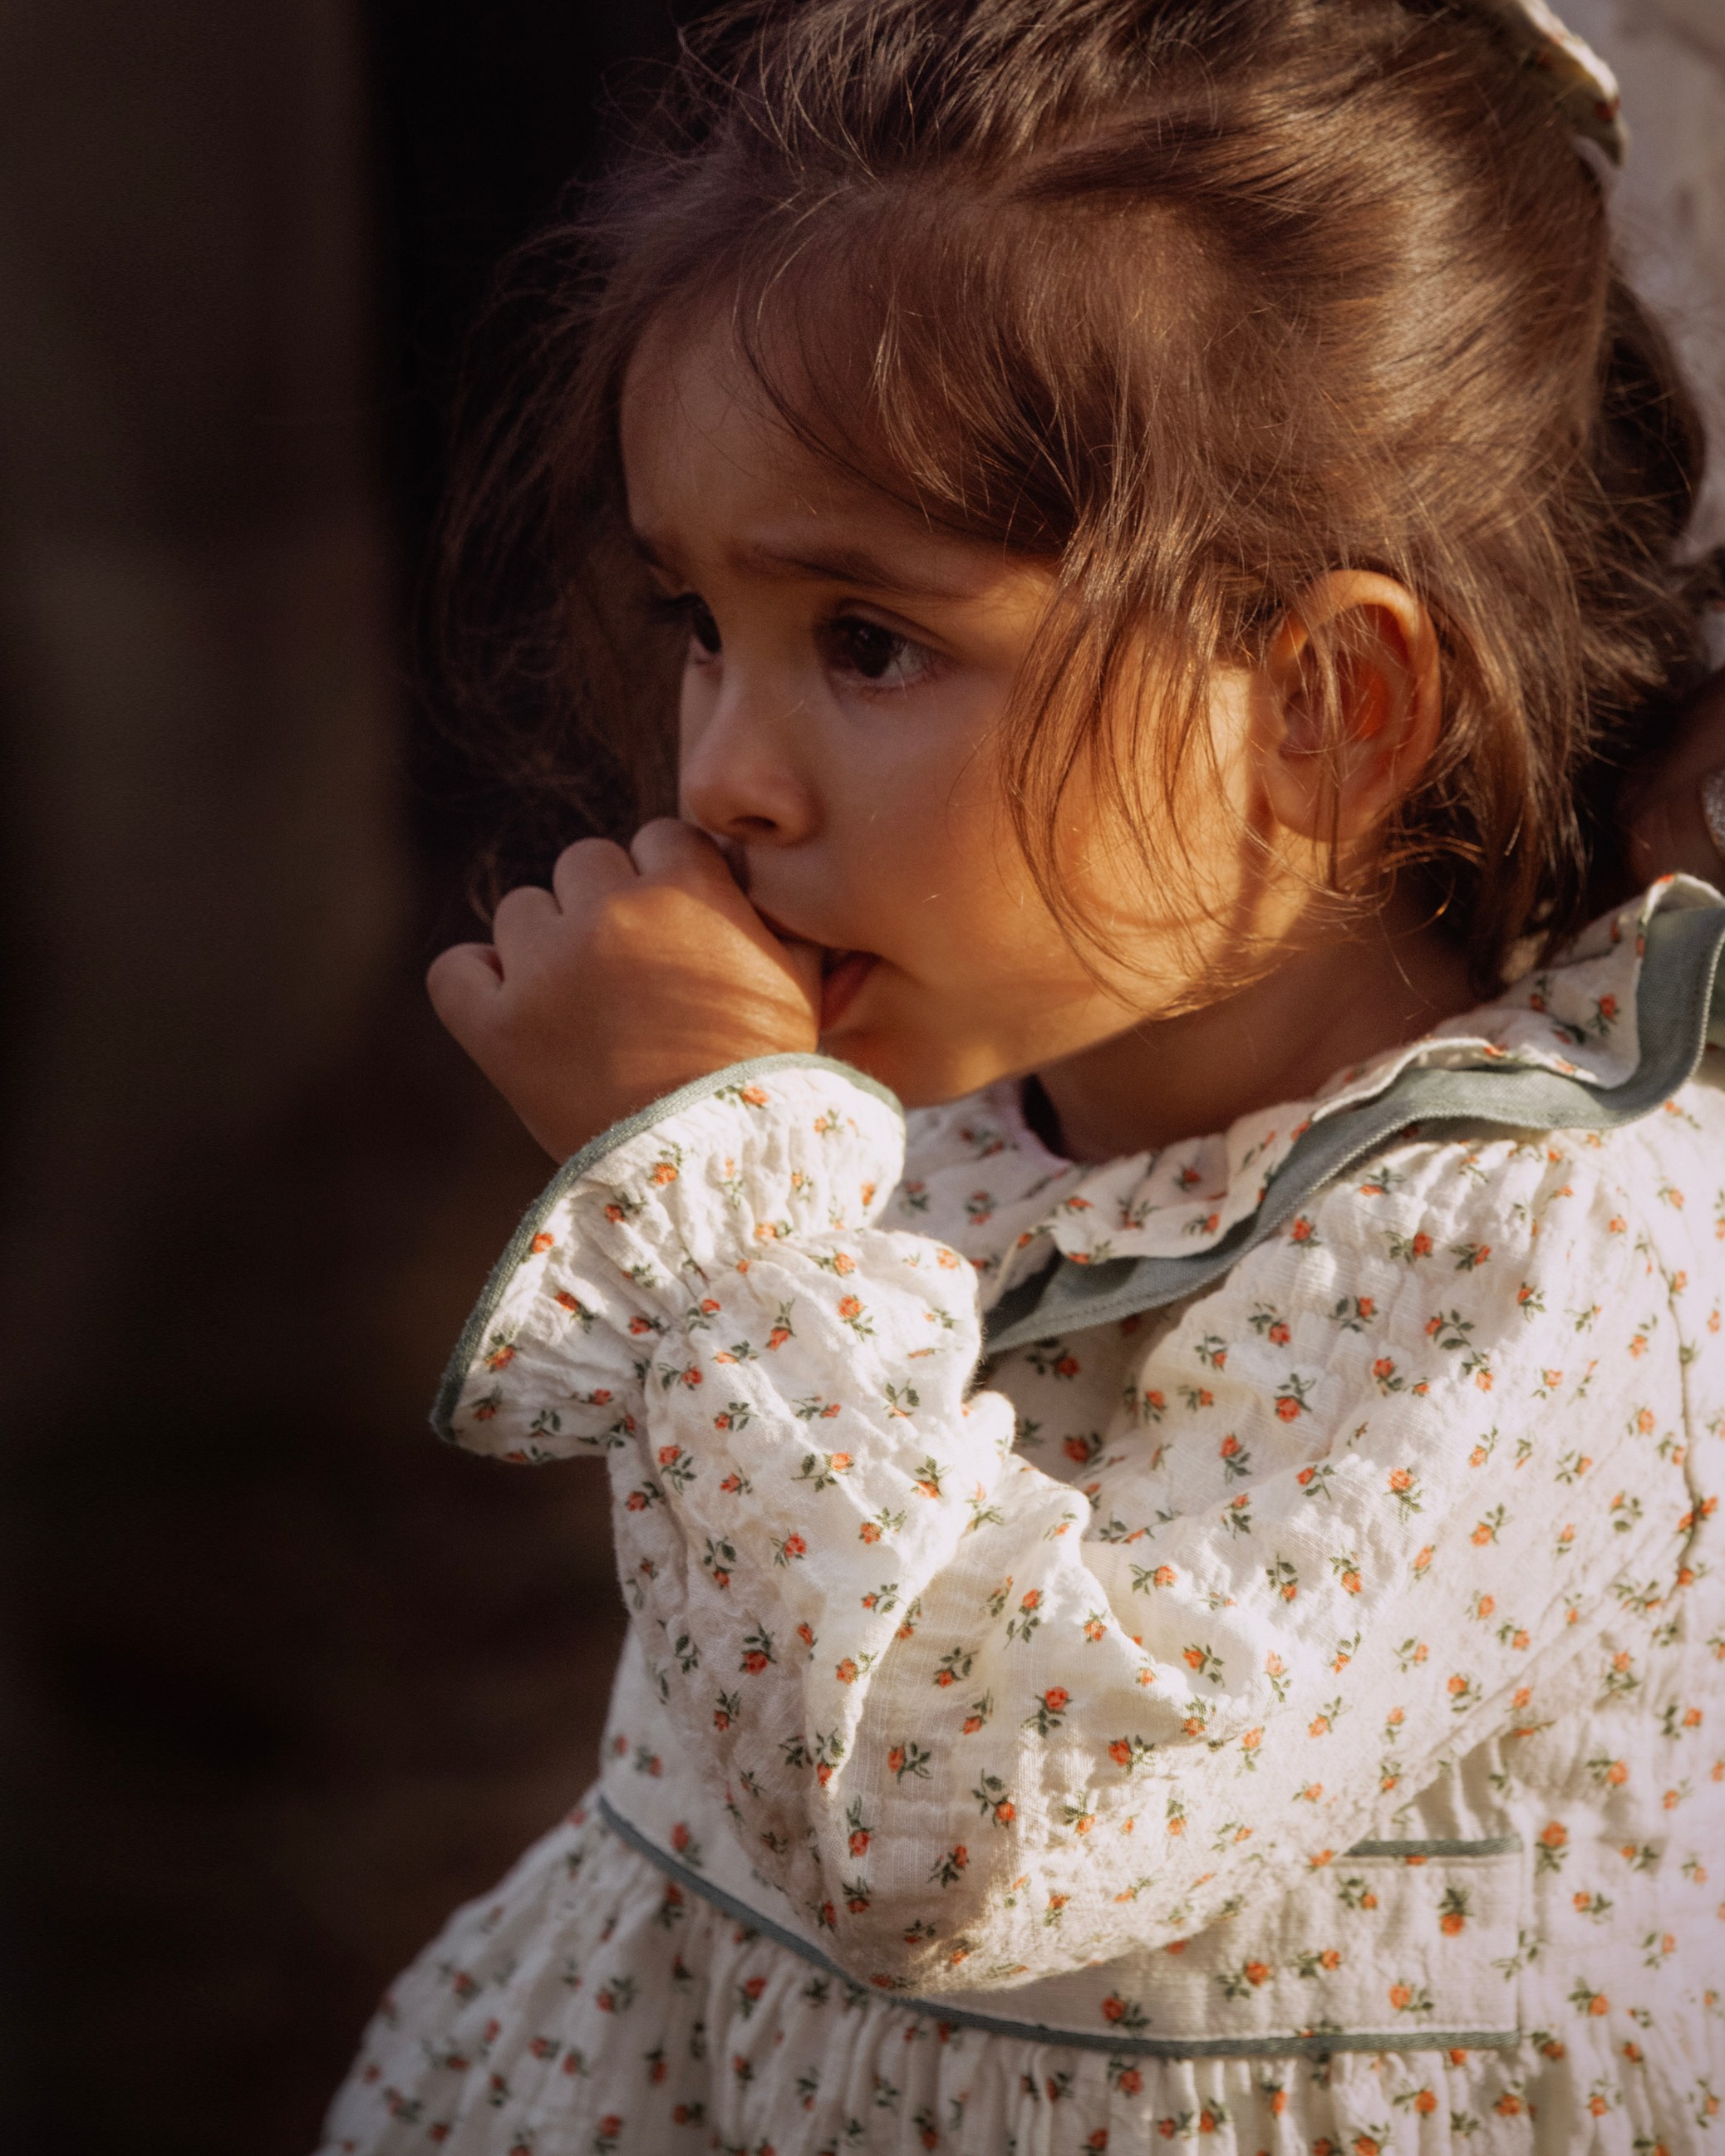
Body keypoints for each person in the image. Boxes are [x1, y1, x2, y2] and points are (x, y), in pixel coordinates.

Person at [321, 2, 1725, 2149]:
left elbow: (971, 1830)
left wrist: (716, 1209)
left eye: (867, 640)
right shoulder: (923, 1133)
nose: (722, 773)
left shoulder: (1554, 1254)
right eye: (698, 620)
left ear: (1323, 713)